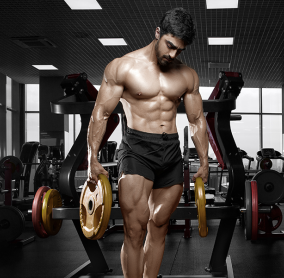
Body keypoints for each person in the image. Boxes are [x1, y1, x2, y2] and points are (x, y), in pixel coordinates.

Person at [86, 7, 208, 278]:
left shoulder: (187, 76)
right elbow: (101, 113)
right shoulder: (124, 67)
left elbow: (197, 120)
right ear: (157, 33)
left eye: (180, 50)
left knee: (160, 224)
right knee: (134, 229)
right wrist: (91, 157)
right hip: (137, 150)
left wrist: (204, 161)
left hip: (171, 151)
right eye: (170, 46)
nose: (173, 54)